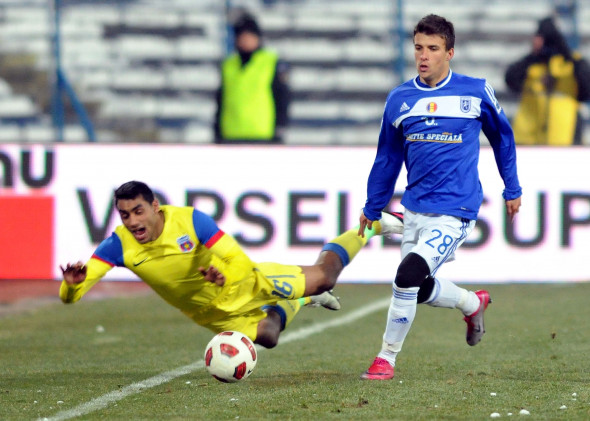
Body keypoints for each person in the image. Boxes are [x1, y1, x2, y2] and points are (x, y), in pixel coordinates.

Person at [357, 14, 522, 380]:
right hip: (415, 207)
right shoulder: (400, 99)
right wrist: (372, 205)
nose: (424, 56)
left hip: (456, 209)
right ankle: (471, 302)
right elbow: (387, 158)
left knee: (406, 275)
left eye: (433, 48)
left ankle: (386, 357)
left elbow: (502, 138)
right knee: (418, 288)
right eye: (418, 47)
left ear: (450, 52)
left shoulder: (475, 91)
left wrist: (512, 187)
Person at [60, 181, 403, 349]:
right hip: (213, 314)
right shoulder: (117, 245)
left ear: (155, 207)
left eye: (138, 211)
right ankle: (301, 301)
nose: (133, 221)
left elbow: (235, 257)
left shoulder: (191, 221)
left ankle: (372, 225)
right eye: (124, 214)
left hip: (246, 282)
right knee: (268, 337)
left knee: (326, 278)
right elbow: (70, 299)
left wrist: (224, 277)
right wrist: (72, 285)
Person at [505, 16, 590, 146]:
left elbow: (586, 89)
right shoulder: (531, 64)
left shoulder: (572, 64)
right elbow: (510, 79)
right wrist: (534, 55)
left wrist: (564, 51)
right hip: (526, 139)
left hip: (563, 140)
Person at [213, 12, 290, 144]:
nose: (245, 40)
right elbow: (221, 99)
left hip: (262, 134)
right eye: (241, 36)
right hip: (231, 134)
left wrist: (280, 127)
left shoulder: (271, 62)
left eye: (249, 36)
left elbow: (282, 97)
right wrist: (217, 129)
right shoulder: (228, 64)